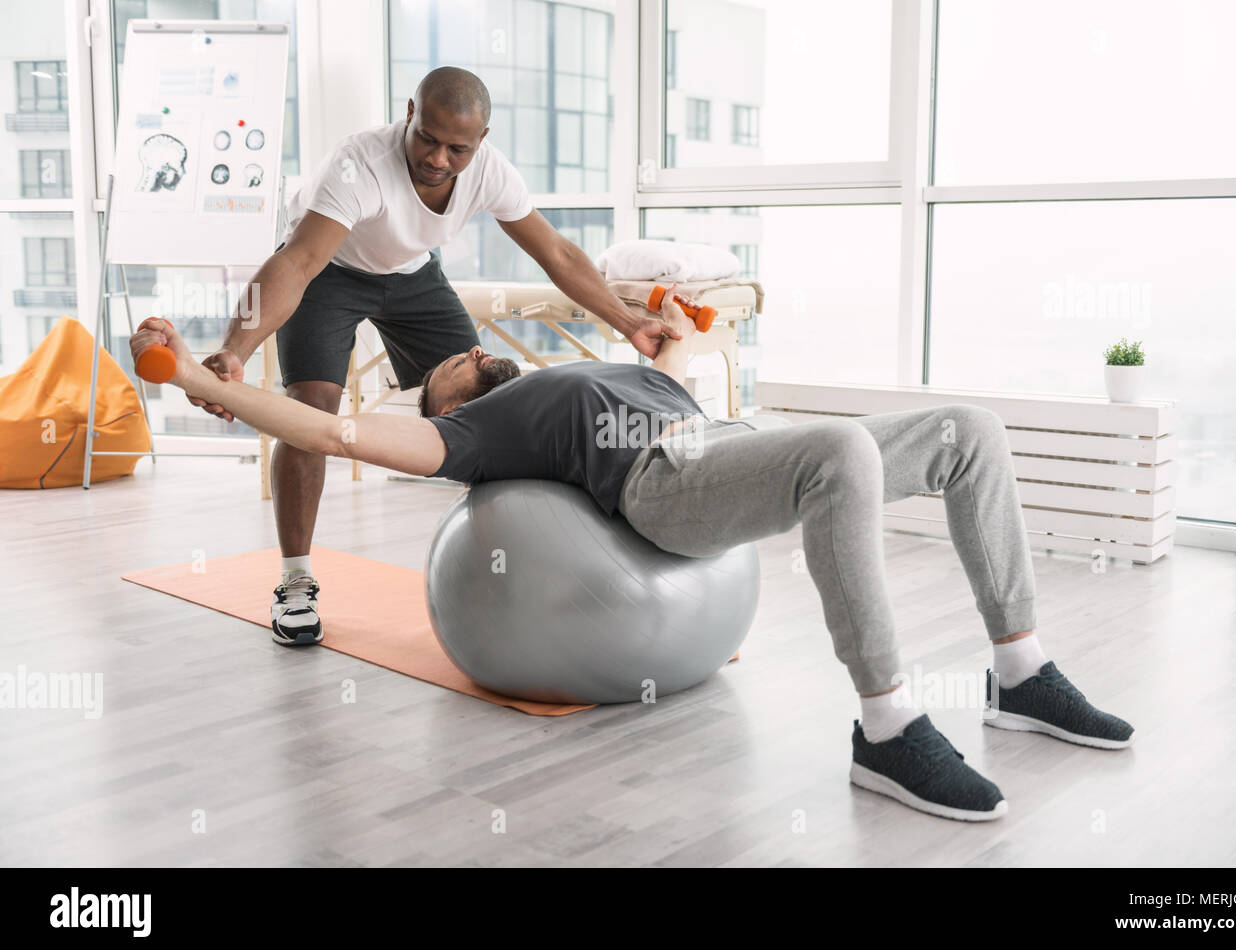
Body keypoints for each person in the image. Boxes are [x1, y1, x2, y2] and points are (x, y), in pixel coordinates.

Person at [130, 290, 1134, 824]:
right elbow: (338, 434)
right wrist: (205, 387)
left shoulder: (573, 372)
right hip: (670, 482)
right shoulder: (473, 432)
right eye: (440, 368)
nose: (460, 352)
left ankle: (1020, 670)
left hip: (730, 436)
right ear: (438, 406)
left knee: (970, 427)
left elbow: (665, 365)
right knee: (840, 451)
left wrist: (673, 325)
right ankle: (885, 727)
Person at [185, 66, 679, 646]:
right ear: (410, 113)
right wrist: (232, 350)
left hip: (414, 276)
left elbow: (558, 254)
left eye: (458, 148)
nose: (439, 159)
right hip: (329, 273)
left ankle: (524, 565)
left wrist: (628, 322)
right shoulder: (358, 164)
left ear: (482, 140)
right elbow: (295, 265)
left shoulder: (490, 172)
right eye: (429, 138)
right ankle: (296, 582)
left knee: (491, 408)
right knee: (312, 413)